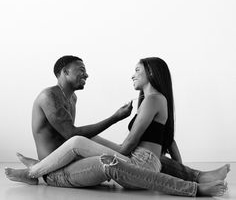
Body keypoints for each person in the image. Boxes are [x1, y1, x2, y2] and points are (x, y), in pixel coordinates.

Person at [5, 56, 229, 197]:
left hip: (110, 161)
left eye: (137, 70)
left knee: (87, 146)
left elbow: (150, 141)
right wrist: (115, 119)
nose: (87, 74)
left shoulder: (151, 100)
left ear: (150, 74)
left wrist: (186, 173)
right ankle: (36, 170)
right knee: (80, 142)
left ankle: (35, 170)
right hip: (61, 167)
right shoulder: (48, 96)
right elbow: (70, 134)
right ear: (64, 72)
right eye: (80, 70)